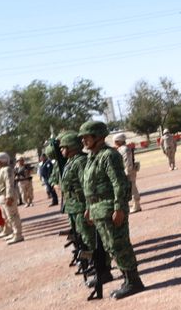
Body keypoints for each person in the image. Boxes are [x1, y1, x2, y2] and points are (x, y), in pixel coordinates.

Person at [78, 120, 142, 298]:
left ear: (98, 137)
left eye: (86, 137)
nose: (83, 140)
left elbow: (119, 183)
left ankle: (133, 281)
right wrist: (89, 208)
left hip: (110, 208)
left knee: (119, 245)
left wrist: (119, 208)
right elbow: (89, 186)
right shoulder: (92, 157)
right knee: (110, 246)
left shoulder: (109, 155)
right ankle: (127, 279)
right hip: (98, 208)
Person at [58, 129, 110, 299]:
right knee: (85, 240)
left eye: (64, 147)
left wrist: (89, 207)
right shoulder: (71, 161)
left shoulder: (80, 162)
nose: (61, 150)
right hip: (75, 207)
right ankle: (96, 268)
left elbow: (86, 186)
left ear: (71, 147)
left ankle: (103, 271)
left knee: (92, 241)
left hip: (82, 207)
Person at [0, 153, 25, 243]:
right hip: (1, 196)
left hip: (6, 196)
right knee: (7, 217)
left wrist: (9, 196)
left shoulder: (7, 170)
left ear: (3, 160)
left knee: (13, 216)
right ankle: (12, 232)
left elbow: (9, 184)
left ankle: (18, 234)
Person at [114, 134, 142, 213]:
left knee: (132, 188)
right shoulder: (123, 148)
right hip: (128, 170)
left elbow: (127, 162)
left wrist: (126, 172)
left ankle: (136, 206)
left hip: (128, 171)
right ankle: (135, 205)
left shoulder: (124, 149)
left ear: (118, 141)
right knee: (131, 188)